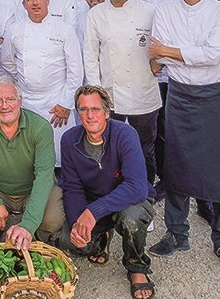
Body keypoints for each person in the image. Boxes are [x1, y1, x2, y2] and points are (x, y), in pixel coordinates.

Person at [147, 0, 220, 275]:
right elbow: (156, 60)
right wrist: (181, 54)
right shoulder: (164, 9)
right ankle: (176, 233)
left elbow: (214, 55)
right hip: (178, 94)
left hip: (212, 95)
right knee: (174, 165)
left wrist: (170, 52)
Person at [60, 85, 155, 299]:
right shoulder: (69, 140)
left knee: (133, 218)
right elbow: (72, 187)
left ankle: (136, 266)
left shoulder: (125, 134)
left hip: (129, 201)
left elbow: (137, 187)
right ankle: (102, 239)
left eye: (95, 109)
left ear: (106, 112)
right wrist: (78, 223)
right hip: (96, 202)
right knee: (70, 241)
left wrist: (92, 212)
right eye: (83, 110)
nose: (90, 115)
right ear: (78, 113)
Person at [83, 0, 161, 194]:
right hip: (110, 94)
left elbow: (161, 45)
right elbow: (90, 55)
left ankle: (144, 195)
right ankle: (112, 194)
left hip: (143, 91)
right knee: (109, 148)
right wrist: (97, 94)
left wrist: (159, 63)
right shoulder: (96, 15)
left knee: (145, 149)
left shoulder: (149, 11)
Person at [0, 77, 64, 249]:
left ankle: (36, 238)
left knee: (54, 218)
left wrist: (29, 224)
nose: (4, 105)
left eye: (10, 99)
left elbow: (44, 176)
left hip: (31, 189)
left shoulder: (40, 127)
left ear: (20, 101)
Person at [0, 0, 83, 167]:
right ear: (23, 5)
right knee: (30, 156)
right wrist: (22, 79)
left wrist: (65, 103)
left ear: (47, 0)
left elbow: (75, 71)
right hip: (27, 102)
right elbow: (7, 60)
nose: (35, 3)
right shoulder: (14, 30)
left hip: (57, 103)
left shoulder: (64, 30)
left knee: (60, 157)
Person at [132, 0, 181, 201]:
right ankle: (161, 179)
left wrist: (162, 60)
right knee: (153, 130)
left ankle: (178, 181)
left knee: (173, 130)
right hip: (147, 75)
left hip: (174, 73)